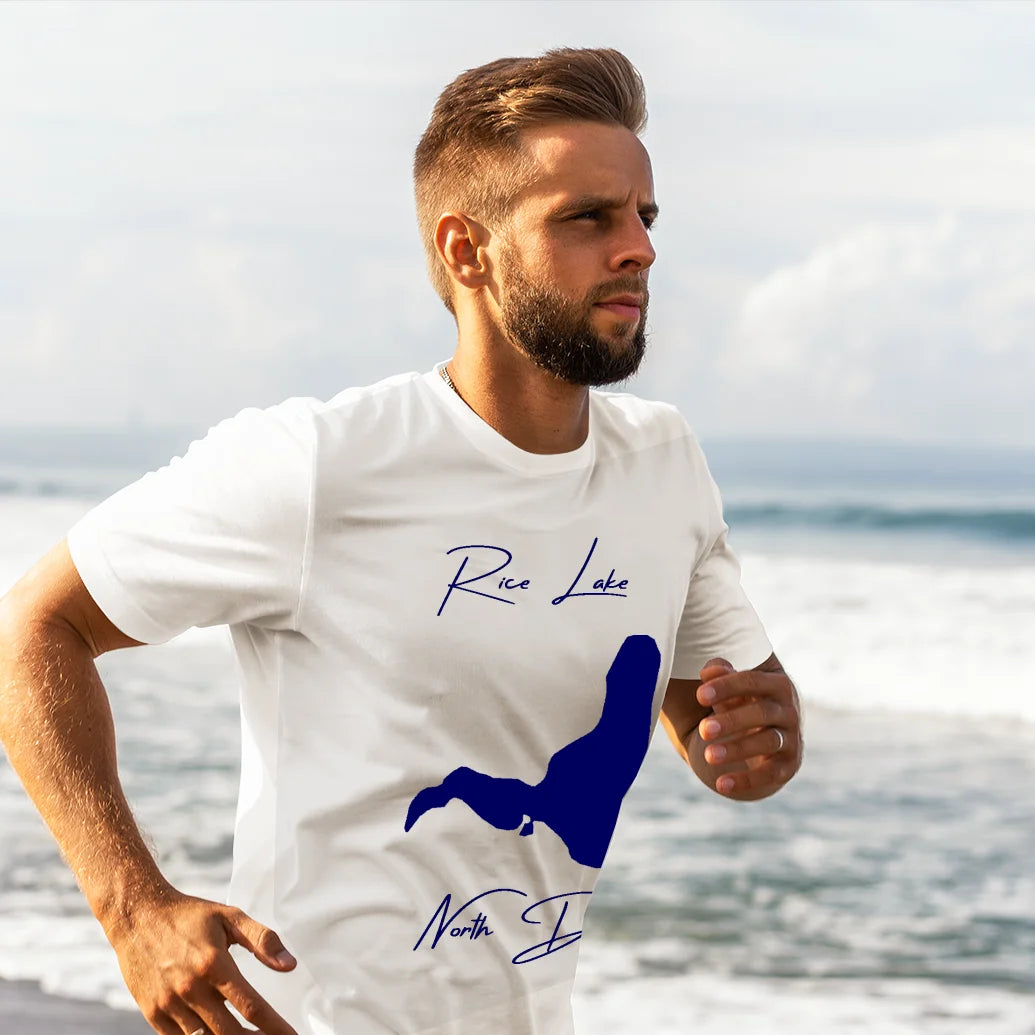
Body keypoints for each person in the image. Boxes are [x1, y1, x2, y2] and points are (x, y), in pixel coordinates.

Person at [0, 46, 803, 1035]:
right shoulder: (320, 463)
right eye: (587, 218)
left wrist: (756, 744)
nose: (637, 247)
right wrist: (133, 911)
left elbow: (721, 725)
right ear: (467, 251)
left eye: (644, 215)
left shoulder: (663, 463)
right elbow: (30, 627)